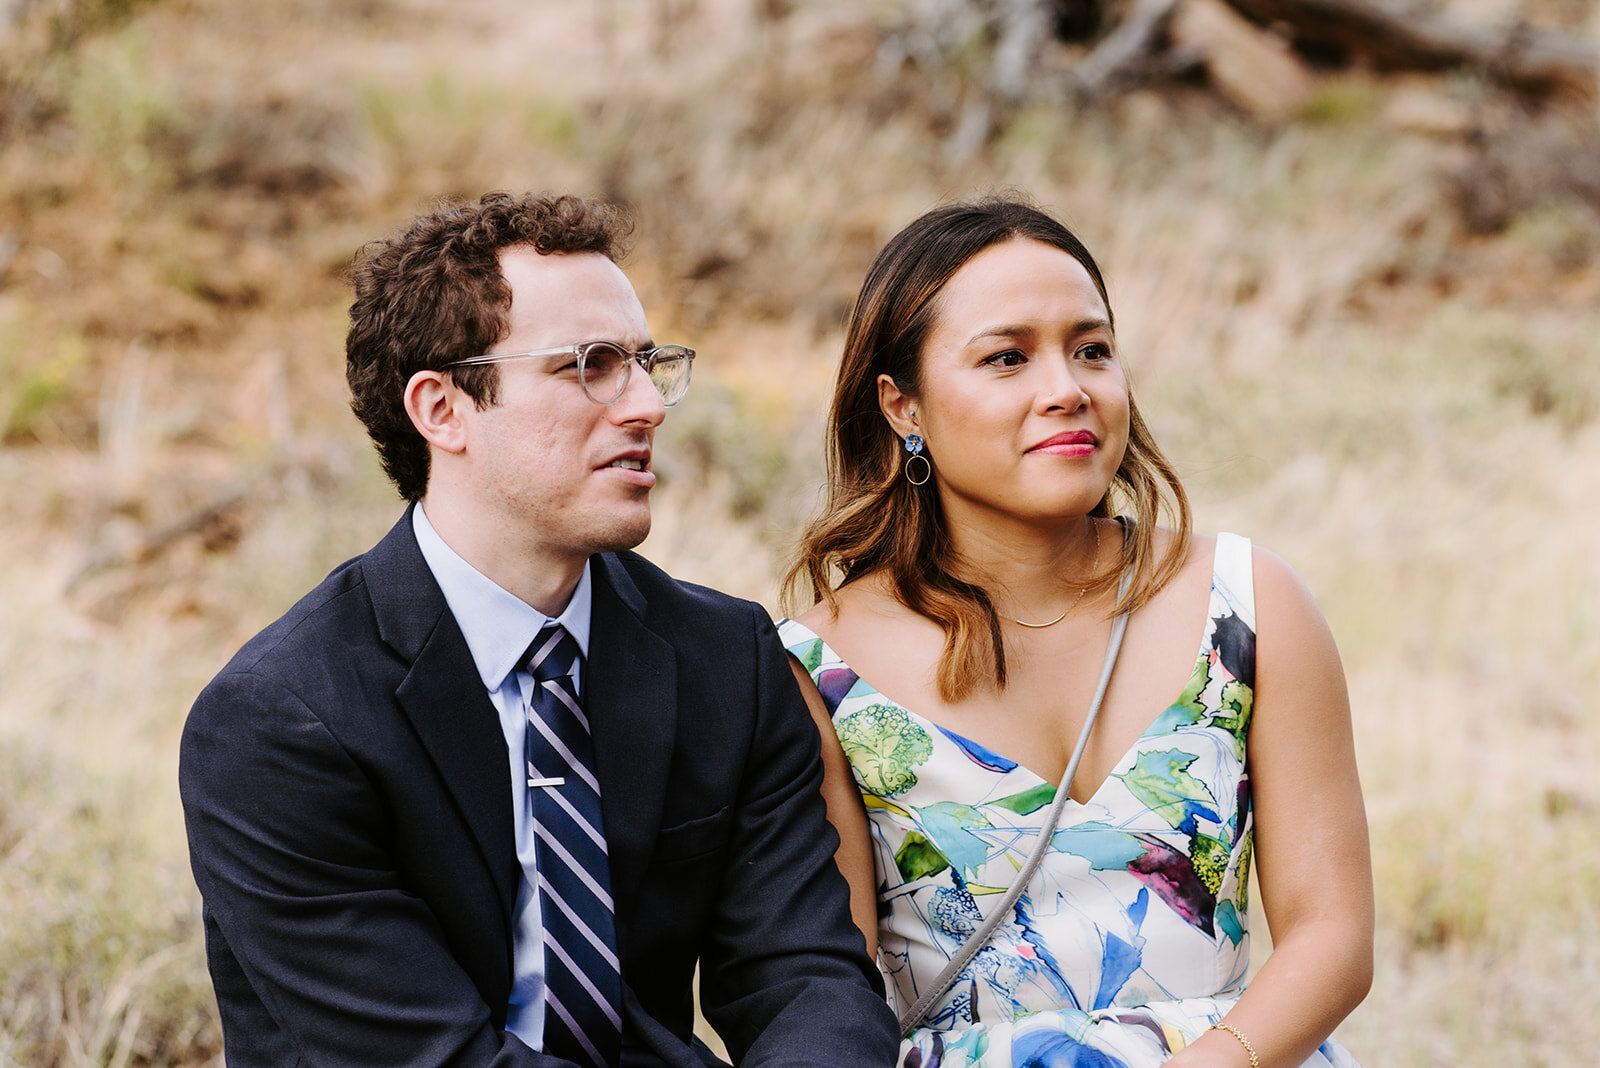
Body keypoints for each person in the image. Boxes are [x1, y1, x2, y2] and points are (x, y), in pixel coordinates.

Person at [179, 191, 900, 1068]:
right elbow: (433, 1060)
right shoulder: (281, 719)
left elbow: (805, 977)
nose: (646, 406)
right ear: (442, 409)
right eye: (590, 365)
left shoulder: (725, 659)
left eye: (647, 363)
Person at [778, 198, 1373, 1067]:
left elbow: (1333, 935)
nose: (1068, 390)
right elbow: (831, 992)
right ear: (903, 406)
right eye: (1007, 358)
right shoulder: (817, 668)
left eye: (1091, 350)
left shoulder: (1247, 601)